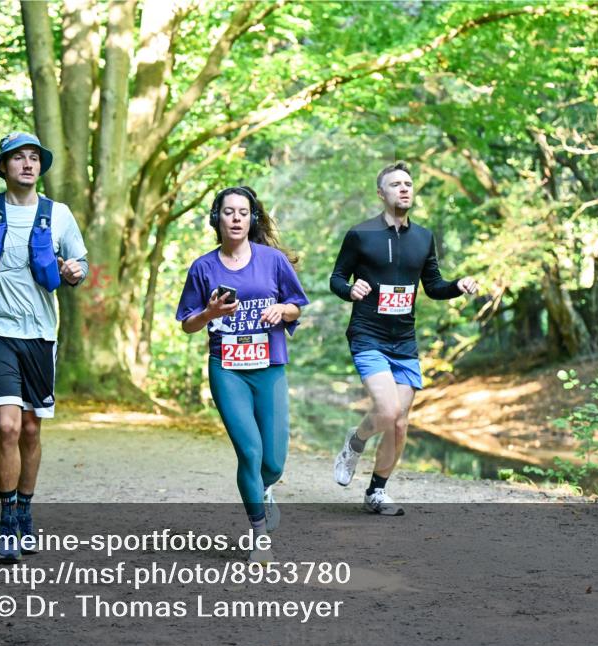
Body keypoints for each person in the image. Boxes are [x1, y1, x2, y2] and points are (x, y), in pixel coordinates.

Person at [0, 131, 88, 562]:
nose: (27, 164)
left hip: (41, 333)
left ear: (40, 167)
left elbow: (79, 263)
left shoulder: (58, 214)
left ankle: (26, 510)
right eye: (18, 158)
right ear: (4, 167)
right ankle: (7, 518)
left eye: (34, 158)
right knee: (6, 426)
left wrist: (73, 272)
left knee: (30, 428)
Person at [329, 162, 478, 516]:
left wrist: (457, 286)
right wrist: (351, 290)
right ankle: (356, 441)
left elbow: (434, 286)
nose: (404, 189)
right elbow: (336, 277)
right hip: (368, 334)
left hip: (404, 341)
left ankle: (376, 493)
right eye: (396, 184)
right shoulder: (361, 235)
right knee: (388, 409)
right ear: (381, 193)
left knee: (399, 423)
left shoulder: (424, 237)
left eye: (408, 183)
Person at [176, 186, 308, 564]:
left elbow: (297, 306)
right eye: (229, 212)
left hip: (269, 367)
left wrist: (282, 310)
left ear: (252, 219)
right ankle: (259, 533)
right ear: (217, 219)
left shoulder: (272, 261)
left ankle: (264, 492)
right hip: (228, 368)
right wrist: (208, 315)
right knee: (249, 453)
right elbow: (187, 322)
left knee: (274, 462)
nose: (236, 218)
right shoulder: (203, 267)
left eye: (243, 212)